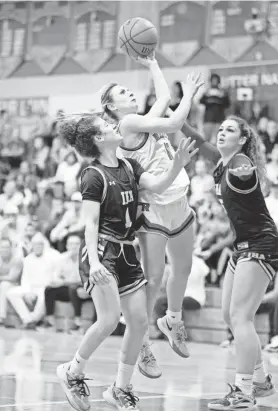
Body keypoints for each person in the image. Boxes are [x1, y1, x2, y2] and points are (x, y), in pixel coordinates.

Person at [56, 112, 198, 411]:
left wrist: (178, 164)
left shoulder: (129, 166)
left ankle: (120, 388)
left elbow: (158, 186)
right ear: (99, 138)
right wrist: (94, 262)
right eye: (107, 126)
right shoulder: (92, 175)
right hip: (102, 251)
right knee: (108, 320)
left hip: (125, 251)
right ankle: (71, 372)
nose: (113, 126)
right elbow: (90, 223)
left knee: (139, 321)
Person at [100, 54, 203, 378]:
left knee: (183, 268)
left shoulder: (142, 118)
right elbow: (174, 122)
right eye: (122, 93)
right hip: (154, 207)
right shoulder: (128, 125)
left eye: (129, 91)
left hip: (178, 200)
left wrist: (152, 63)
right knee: (155, 277)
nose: (130, 94)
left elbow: (161, 100)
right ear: (111, 106)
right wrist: (188, 95)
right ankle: (142, 341)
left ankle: (172, 320)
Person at [177, 116, 277, 409]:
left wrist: (247, 175)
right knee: (227, 315)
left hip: (261, 245)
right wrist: (179, 118)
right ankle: (260, 380)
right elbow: (199, 139)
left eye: (229, 130)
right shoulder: (222, 161)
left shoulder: (240, 162)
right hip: (242, 245)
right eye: (220, 129)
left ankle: (244, 392)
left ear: (243, 139)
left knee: (241, 318)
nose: (221, 133)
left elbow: (246, 174)